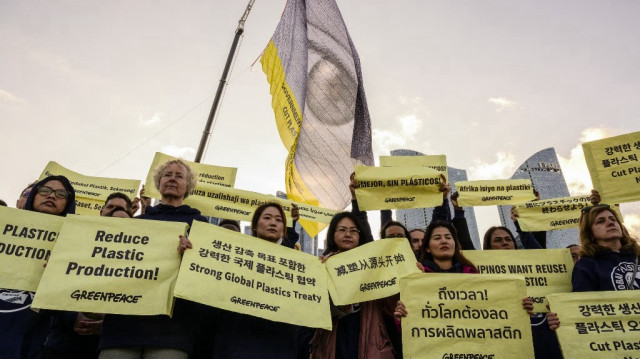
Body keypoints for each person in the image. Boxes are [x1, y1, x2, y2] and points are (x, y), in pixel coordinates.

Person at [98, 159, 207, 359]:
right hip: (124, 324)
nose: (172, 179)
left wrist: (191, 257)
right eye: (167, 175)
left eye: (179, 176)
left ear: (188, 186)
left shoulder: (200, 224)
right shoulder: (136, 223)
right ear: (158, 183)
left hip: (171, 328)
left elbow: (206, 274)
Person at [206, 202, 305, 358]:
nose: (273, 223)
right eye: (267, 218)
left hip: (276, 345)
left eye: (279, 220)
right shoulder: (234, 256)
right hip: (236, 342)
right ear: (254, 226)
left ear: (283, 230)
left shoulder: (293, 265)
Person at [1, 176, 76, 359]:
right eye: (45, 190)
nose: (51, 196)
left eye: (61, 194)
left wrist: (60, 273)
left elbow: (66, 301)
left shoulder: (72, 245)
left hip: (27, 337)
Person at [310, 212, 397, 359]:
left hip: (369, 335)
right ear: (332, 234)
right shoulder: (321, 265)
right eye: (342, 230)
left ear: (359, 235)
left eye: (353, 230)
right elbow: (313, 307)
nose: (348, 234)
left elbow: (389, 305)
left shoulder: (374, 263)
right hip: (333, 336)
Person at [547, 198, 640, 332]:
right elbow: (583, 310)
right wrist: (561, 317)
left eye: (613, 219)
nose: (609, 223)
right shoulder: (586, 266)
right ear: (591, 234)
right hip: (621, 338)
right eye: (600, 221)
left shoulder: (638, 256)